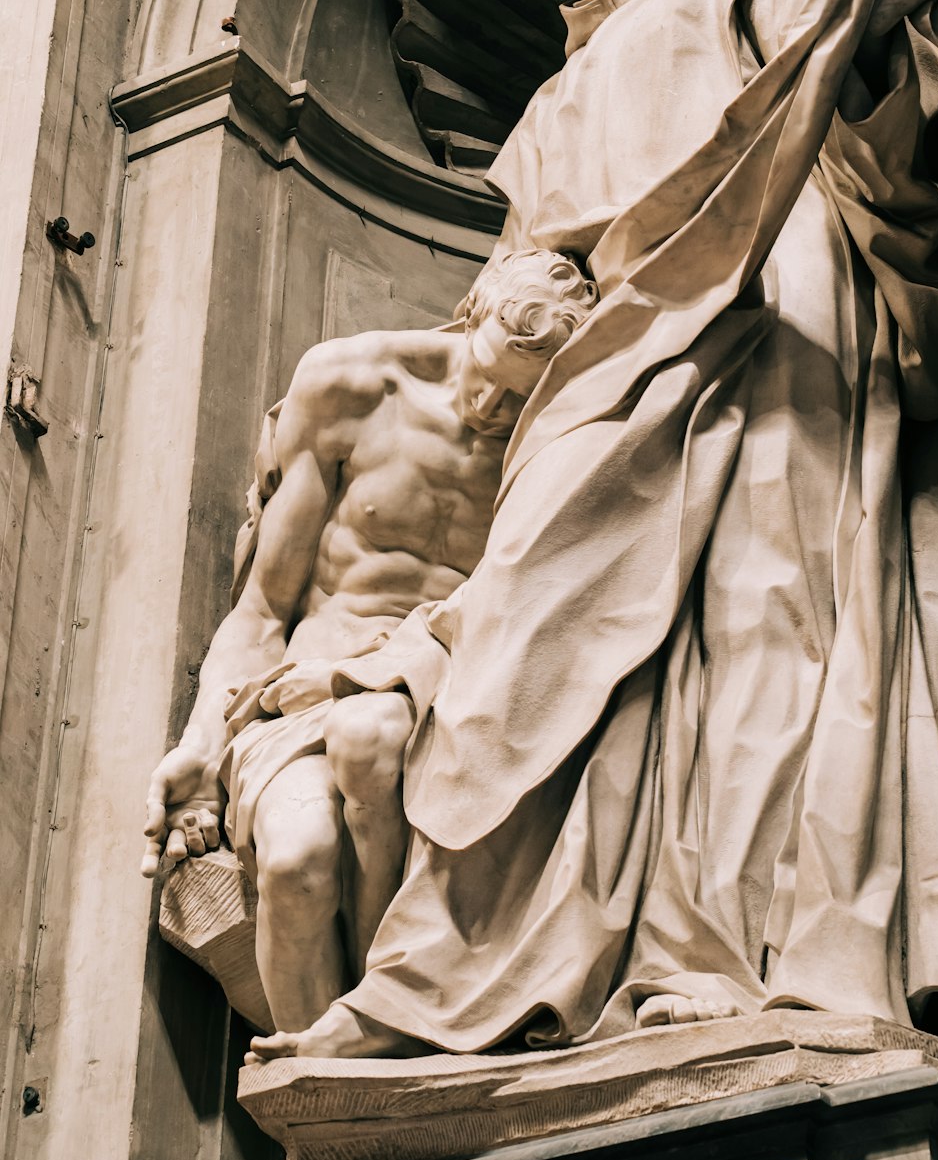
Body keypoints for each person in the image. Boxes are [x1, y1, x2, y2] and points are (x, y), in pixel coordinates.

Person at [248, 0, 938, 1063]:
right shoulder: (542, 115)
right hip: (601, 360)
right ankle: (456, 974)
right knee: (535, 653)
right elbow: (506, 297)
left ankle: (714, 957)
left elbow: (870, 106)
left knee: (767, 619)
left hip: (771, 293)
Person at [141, 247, 597, 1031]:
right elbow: (262, 608)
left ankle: (382, 1039)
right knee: (294, 860)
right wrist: (203, 747)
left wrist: (395, 672)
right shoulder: (351, 383)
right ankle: (313, 1100)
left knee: (375, 738)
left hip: (457, 703)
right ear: (473, 307)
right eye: (484, 371)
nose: (489, 406)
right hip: (306, 684)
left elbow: (540, 614)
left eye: (517, 397)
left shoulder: (562, 445)